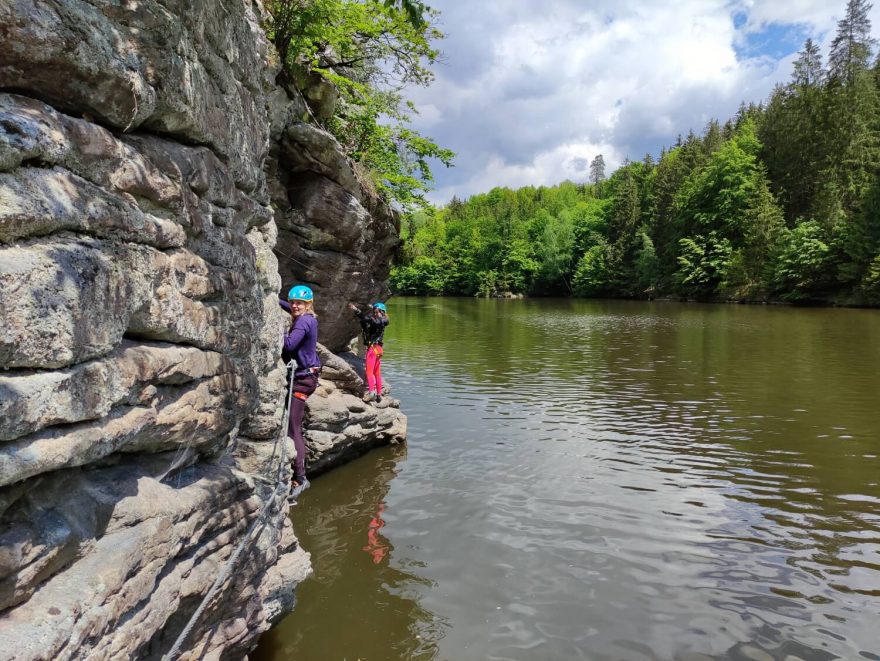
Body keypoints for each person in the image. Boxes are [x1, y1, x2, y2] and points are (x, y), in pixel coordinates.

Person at [280, 285, 321, 499]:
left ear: (308, 305)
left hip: (302, 380)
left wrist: (275, 328)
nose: (295, 306)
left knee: (293, 427)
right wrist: (276, 301)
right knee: (293, 425)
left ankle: (301, 477)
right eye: (292, 301)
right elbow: (289, 306)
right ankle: (300, 473)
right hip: (306, 376)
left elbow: (288, 345)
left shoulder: (304, 321)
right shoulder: (309, 317)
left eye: (300, 303)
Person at [347, 301, 389, 403]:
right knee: (377, 373)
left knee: (369, 372)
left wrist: (355, 309)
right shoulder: (385, 320)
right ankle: (379, 395)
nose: (375, 313)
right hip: (379, 349)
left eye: (377, 311)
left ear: (380, 312)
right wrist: (372, 307)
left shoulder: (376, 321)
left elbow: (365, 319)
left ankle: (371, 393)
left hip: (372, 349)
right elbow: (372, 319)